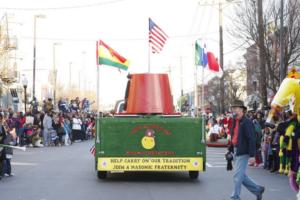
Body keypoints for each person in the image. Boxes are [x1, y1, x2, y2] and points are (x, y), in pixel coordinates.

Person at [228, 100, 265, 200]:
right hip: (236, 150)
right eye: (233, 108)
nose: (233, 110)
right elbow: (234, 137)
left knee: (237, 176)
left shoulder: (247, 122)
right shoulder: (235, 121)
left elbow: (251, 139)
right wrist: (230, 149)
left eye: (235, 108)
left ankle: (235, 197)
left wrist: (252, 155)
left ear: (241, 109)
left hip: (243, 152)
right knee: (241, 176)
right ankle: (257, 190)